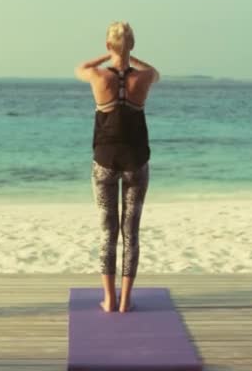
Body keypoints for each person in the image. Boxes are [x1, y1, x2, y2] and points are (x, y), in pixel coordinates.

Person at [75, 21, 160, 313]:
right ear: (133, 45)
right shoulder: (145, 77)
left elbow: (80, 66)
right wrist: (128, 58)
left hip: (105, 162)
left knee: (107, 231)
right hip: (136, 161)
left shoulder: (97, 76)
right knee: (130, 232)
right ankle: (125, 301)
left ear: (108, 45)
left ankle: (109, 299)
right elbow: (156, 72)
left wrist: (108, 56)